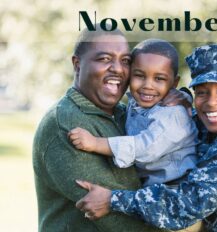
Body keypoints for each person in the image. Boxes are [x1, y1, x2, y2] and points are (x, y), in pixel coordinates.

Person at [75, 44, 217, 231]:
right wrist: (183, 96)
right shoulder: (208, 119)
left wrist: (112, 199)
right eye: (202, 92)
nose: (212, 102)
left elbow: (186, 206)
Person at [32, 26, 171, 232]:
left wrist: (180, 99)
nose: (118, 68)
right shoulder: (66, 124)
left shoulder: (125, 114)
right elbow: (119, 221)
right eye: (105, 59)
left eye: (125, 61)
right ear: (77, 64)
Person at [68, 39, 199, 187]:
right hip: (152, 186)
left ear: (174, 84)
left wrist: (96, 143)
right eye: (140, 76)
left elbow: (145, 148)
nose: (147, 85)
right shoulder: (135, 104)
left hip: (176, 188)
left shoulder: (173, 114)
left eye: (159, 79)